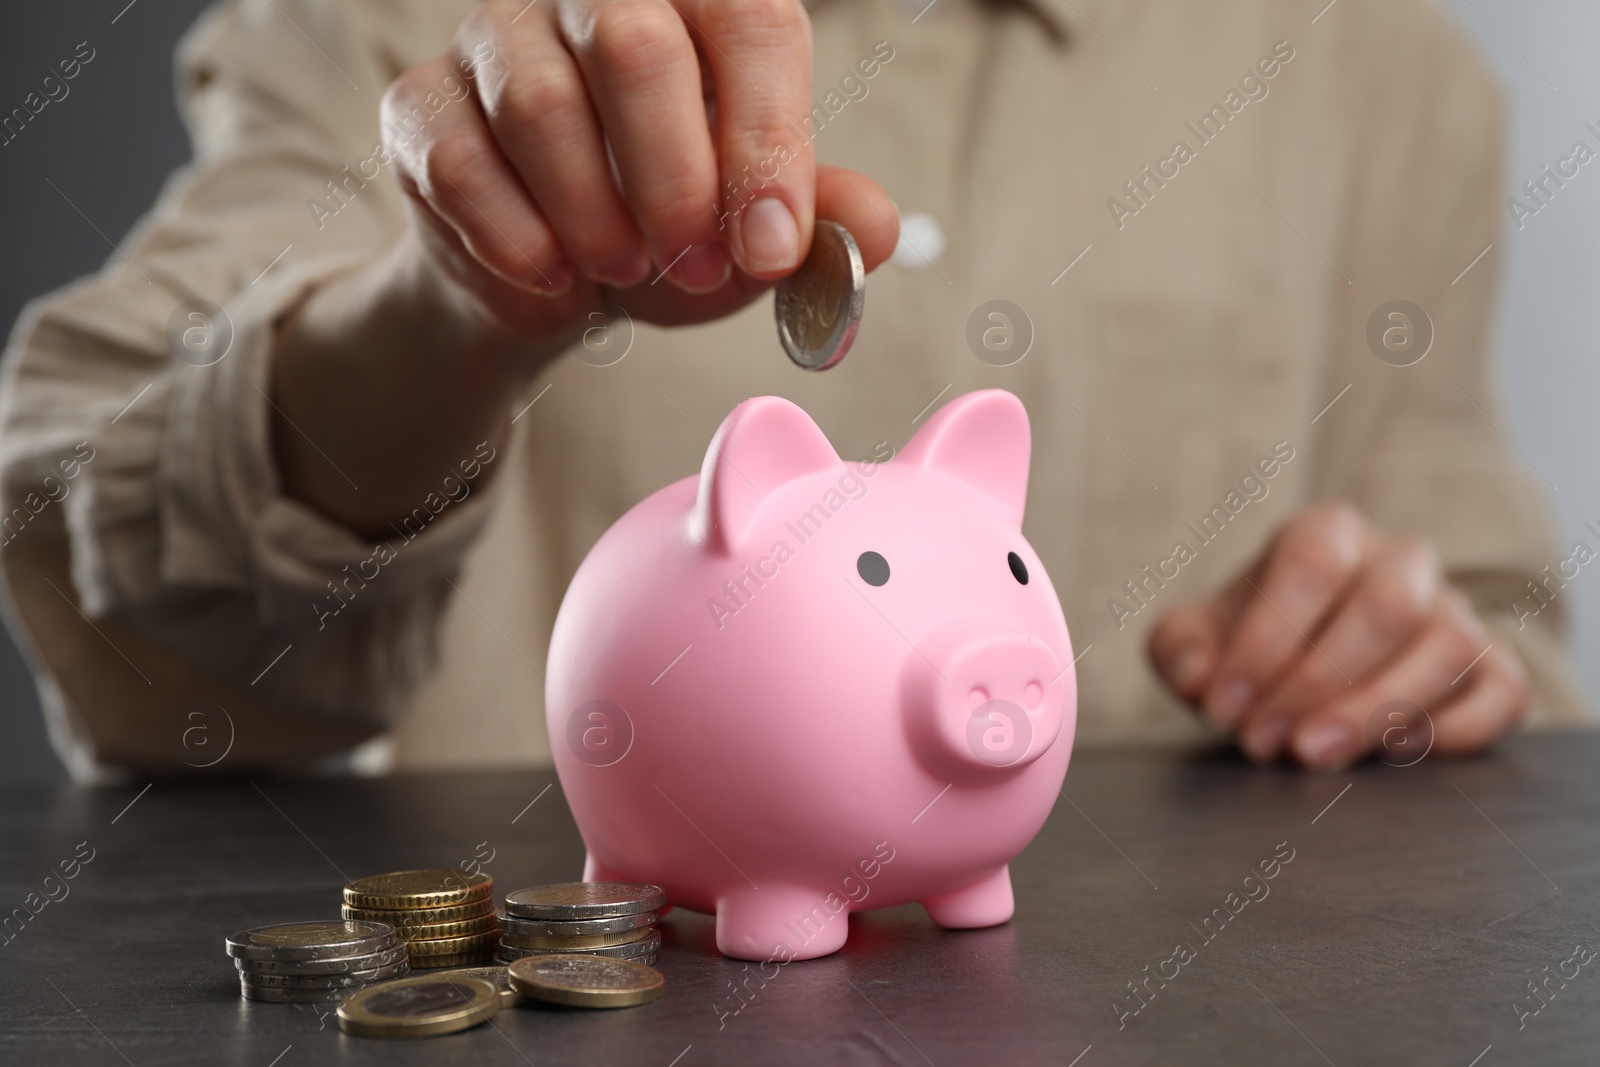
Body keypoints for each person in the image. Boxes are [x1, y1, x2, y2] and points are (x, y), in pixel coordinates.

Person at [0, 0, 1588, 781]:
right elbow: (90, 535)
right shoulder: (408, 19)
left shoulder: (1378, 62)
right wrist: (452, 308)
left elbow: (1483, 603)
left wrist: (1411, 655)